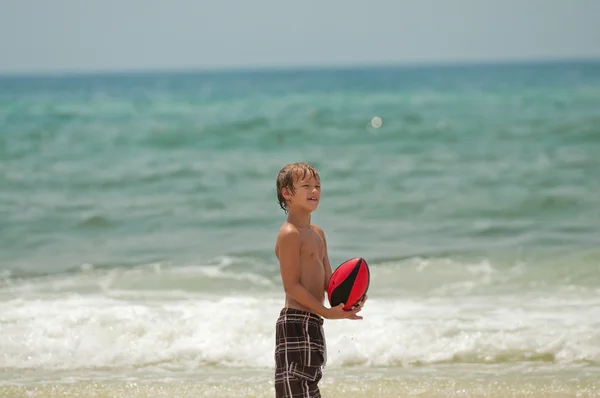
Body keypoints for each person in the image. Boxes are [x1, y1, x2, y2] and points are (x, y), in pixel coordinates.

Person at [273, 162, 367, 398]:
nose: (314, 191)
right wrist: (326, 312)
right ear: (287, 193)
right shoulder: (289, 233)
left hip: (313, 323)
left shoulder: (318, 234)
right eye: (305, 186)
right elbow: (291, 286)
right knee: (294, 389)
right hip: (294, 323)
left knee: (310, 385)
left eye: (317, 186)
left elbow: (330, 280)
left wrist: (349, 301)